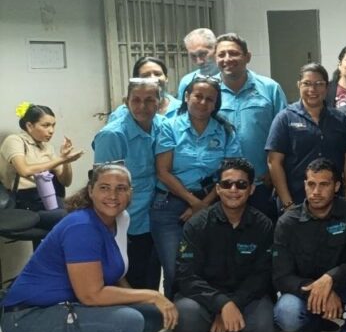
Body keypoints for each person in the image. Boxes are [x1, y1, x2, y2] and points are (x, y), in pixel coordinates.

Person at [1, 163, 176, 332]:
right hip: (28, 319)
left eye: (121, 188)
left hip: (66, 309)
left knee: (151, 316)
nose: (112, 195)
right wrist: (152, 295)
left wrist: (145, 303)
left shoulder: (119, 220)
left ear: (131, 192)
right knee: (129, 321)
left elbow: (114, 273)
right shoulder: (81, 227)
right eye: (104, 188)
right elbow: (91, 295)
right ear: (91, 191)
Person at [174, 158, 275, 332]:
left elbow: (262, 275)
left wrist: (234, 303)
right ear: (218, 189)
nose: (233, 190)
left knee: (263, 326)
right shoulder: (197, 225)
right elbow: (186, 276)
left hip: (243, 296)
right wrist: (222, 304)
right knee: (184, 313)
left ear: (251, 189)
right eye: (227, 184)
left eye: (241, 184)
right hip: (203, 298)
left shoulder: (263, 225)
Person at [273, 158, 346, 332]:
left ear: (336, 186)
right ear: (305, 185)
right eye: (311, 184)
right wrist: (319, 291)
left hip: (343, 282)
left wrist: (331, 279)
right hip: (305, 289)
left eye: (324, 184)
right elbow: (281, 276)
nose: (316, 191)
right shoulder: (287, 222)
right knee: (286, 312)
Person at [151, 77, 241, 299]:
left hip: (213, 203)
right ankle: (175, 314)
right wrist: (194, 203)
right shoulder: (169, 126)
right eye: (198, 96)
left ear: (216, 103)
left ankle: (205, 314)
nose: (203, 102)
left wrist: (203, 205)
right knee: (175, 270)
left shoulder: (225, 130)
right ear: (186, 97)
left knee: (209, 267)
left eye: (210, 99)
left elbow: (230, 174)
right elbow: (163, 172)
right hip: (170, 205)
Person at [93, 80, 165, 295]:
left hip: (154, 218)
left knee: (151, 277)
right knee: (128, 281)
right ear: (126, 102)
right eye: (136, 100)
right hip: (125, 222)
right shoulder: (113, 135)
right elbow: (103, 186)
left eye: (149, 100)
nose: (143, 106)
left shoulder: (162, 126)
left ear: (160, 102)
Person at [212, 33, 287, 219]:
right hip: (220, 187)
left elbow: (285, 135)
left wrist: (274, 173)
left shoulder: (270, 88)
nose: (227, 59)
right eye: (221, 54)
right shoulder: (208, 91)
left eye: (233, 53)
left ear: (247, 57)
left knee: (263, 232)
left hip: (261, 184)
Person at [267, 63, 346, 211]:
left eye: (319, 84)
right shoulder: (285, 118)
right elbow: (274, 162)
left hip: (334, 202)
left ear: (327, 87)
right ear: (298, 85)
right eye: (306, 84)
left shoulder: (340, 119)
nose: (312, 89)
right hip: (296, 201)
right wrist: (288, 204)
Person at [1, 102, 82, 232]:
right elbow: (24, 170)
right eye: (46, 125)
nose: (51, 130)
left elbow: (65, 182)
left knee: (82, 210)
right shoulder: (15, 140)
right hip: (23, 203)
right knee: (69, 217)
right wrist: (61, 160)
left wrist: (66, 160)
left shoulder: (47, 147)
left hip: (47, 198)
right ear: (29, 126)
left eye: (53, 125)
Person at [107, 56, 181, 123]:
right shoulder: (121, 114)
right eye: (145, 75)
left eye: (157, 74)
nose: (153, 78)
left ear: (166, 78)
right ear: (136, 81)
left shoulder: (182, 109)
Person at [177, 28, 218, 99]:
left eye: (203, 54)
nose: (199, 62)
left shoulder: (232, 78)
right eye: (193, 56)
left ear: (216, 48)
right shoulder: (187, 82)